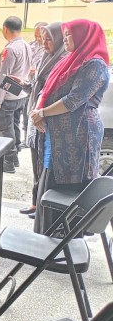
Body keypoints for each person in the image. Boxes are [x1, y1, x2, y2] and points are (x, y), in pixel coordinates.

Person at [30, 19, 110, 234]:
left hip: (77, 136)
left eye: (69, 34)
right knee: (50, 180)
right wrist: (39, 110)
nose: (65, 38)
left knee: (68, 188)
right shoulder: (69, 60)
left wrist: (42, 113)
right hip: (56, 135)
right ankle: (45, 236)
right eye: (64, 34)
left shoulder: (95, 65)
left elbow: (74, 100)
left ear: (85, 36)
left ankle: (65, 240)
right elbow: (46, 90)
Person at [19, 22, 66, 217]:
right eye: (42, 39)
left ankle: (42, 206)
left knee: (44, 165)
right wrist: (24, 84)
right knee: (35, 162)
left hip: (47, 119)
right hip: (35, 114)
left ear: (60, 40)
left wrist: (42, 112)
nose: (44, 43)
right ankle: (35, 202)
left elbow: (54, 92)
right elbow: (38, 87)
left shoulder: (63, 61)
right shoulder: (45, 57)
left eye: (49, 39)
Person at [0, 16, 32, 172]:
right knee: (14, 126)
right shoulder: (26, 45)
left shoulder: (11, 49)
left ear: (5, 29)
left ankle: (8, 161)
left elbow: (3, 76)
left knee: (5, 129)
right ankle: (14, 157)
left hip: (7, 95)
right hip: (19, 94)